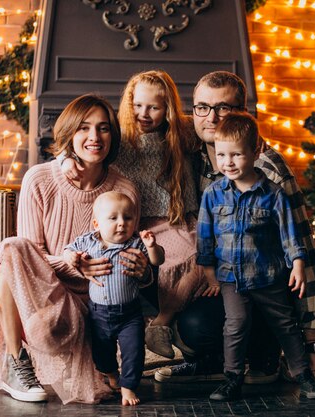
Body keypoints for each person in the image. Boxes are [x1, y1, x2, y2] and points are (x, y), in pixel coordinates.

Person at [155, 71, 315, 397]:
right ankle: (222, 364)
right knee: (192, 324)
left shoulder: (268, 170)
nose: (211, 118)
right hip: (227, 278)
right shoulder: (194, 152)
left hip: (267, 281)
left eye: (223, 109)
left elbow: (303, 249)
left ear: (243, 114)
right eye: (202, 107)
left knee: (233, 322)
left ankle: (266, 356)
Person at [0, 94, 149, 404]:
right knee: (11, 248)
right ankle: (16, 361)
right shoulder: (39, 179)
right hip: (46, 288)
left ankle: (100, 361)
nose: (94, 137)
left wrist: (144, 270)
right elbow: (28, 257)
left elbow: (129, 252)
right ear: (68, 134)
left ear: (112, 136)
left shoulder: (124, 190)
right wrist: (71, 262)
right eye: (83, 128)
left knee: (49, 327)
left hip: (98, 302)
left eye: (103, 128)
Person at [60, 70, 203, 359]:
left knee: (205, 253)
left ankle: (162, 321)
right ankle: (163, 321)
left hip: (179, 218)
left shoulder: (181, 134)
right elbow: (84, 147)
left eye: (154, 107)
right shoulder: (120, 139)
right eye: (138, 105)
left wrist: (255, 143)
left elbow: (219, 130)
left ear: (169, 109)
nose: (144, 113)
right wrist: (65, 160)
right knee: (180, 256)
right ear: (129, 104)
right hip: (140, 223)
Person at [197, 112, 315, 401]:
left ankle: (302, 375)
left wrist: (297, 264)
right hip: (231, 277)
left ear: (256, 152)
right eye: (221, 155)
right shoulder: (214, 194)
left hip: (269, 275)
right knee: (236, 324)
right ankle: (232, 377)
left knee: (285, 324)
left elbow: (289, 234)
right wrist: (207, 269)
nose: (227, 162)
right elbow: (205, 234)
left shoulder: (274, 194)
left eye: (236, 155)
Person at [63, 191, 165, 406]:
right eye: (113, 218)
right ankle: (111, 375)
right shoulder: (88, 241)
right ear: (96, 223)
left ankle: (128, 387)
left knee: (134, 351)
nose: (122, 224)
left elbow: (157, 261)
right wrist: (70, 257)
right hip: (99, 312)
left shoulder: (136, 244)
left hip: (130, 314)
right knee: (101, 353)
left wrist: (152, 246)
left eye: (128, 218)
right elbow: (67, 250)